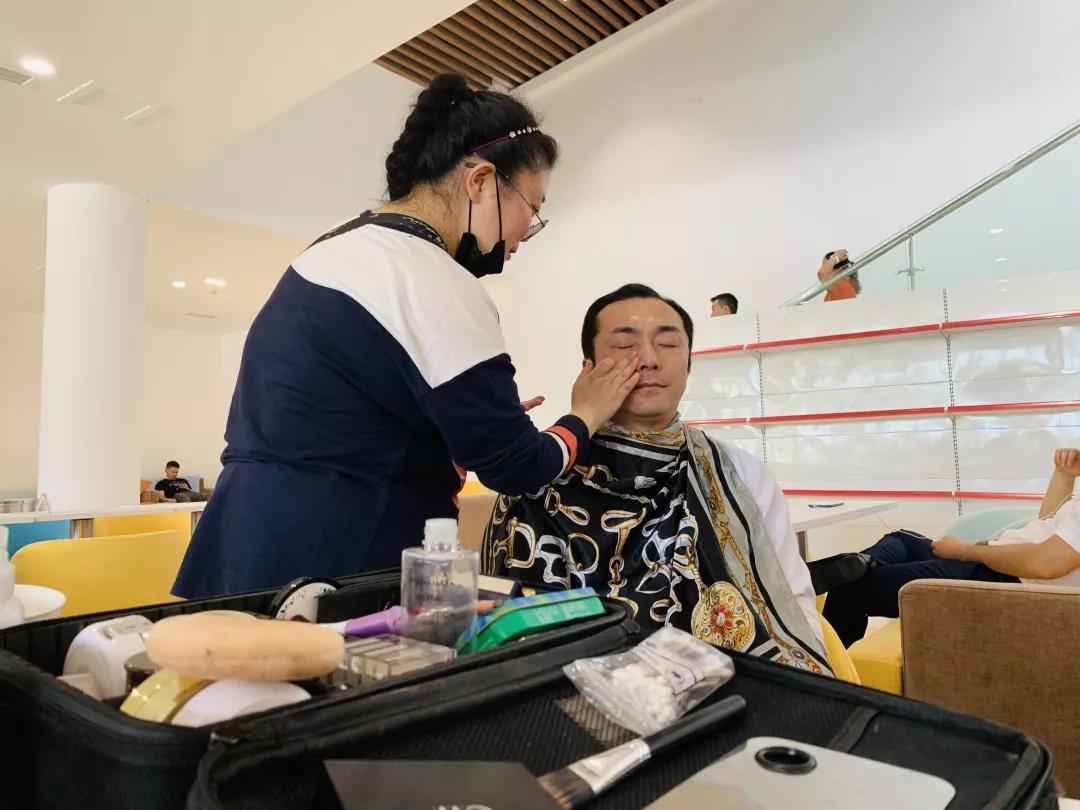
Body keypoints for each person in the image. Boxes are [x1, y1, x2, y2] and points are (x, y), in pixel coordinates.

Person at [173, 74, 640, 598]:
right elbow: (518, 467)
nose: (523, 236)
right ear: (480, 181)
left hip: (240, 536)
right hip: (332, 558)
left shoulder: (332, 250)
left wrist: (464, 426)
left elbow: (348, 421)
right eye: (531, 210)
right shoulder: (433, 277)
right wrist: (586, 412)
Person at [482, 284, 831, 675]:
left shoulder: (739, 476)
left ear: (688, 365)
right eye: (624, 345)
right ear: (588, 368)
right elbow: (510, 635)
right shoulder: (541, 480)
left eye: (667, 344)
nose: (648, 359)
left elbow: (790, 604)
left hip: (730, 690)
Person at [820, 448, 1080, 647]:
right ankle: (858, 563)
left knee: (851, 588)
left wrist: (965, 551)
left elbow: (1046, 564)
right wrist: (1065, 474)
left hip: (1005, 581)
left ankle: (819, 684)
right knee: (901, 539)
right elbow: (1047, 521)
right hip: (1001, 563)